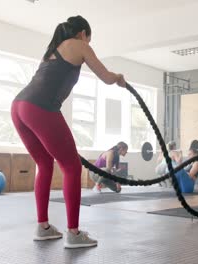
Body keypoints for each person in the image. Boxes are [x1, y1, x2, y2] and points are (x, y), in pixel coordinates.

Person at [11, 15, 126, 249]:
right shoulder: (79, 44)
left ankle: (43, 227)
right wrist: (118, 79)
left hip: (19, 107)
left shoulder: (52, 50)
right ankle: (73, 233)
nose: (89, 44)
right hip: (40, 108)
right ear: (83, 33)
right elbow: (105, 77)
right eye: (89, 39)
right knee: (71, 167)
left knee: (44, 163)